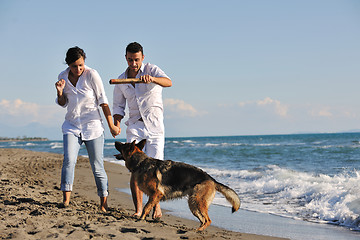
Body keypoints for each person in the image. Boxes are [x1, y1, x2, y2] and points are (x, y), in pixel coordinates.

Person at [55, 46, 120, 212]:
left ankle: (104, 203)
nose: (78, 69)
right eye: (74, 66)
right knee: (69, 160)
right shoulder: (62, 77)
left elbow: (103, 101)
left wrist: (111, 124)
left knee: (97, 166)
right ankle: (66, 201)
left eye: (81, 65)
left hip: (93, 126)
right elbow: (63, 103)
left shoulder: (92, 75)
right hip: (72, 125)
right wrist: (60, 92)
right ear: (68, 64)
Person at [112, 42, 172, 219]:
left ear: (142, 57)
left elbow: (168, 82)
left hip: (155, 127)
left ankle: (156, 207)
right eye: (130, 60)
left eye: (136, 60)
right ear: (125, 58)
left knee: (156, 171)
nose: (133, 63)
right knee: (135, 169)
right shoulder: (121, 80)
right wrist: (116, 124)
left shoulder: (152, 70)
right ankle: (138, 209)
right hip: (135, 127)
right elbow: (118, 107)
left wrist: (152, 79)